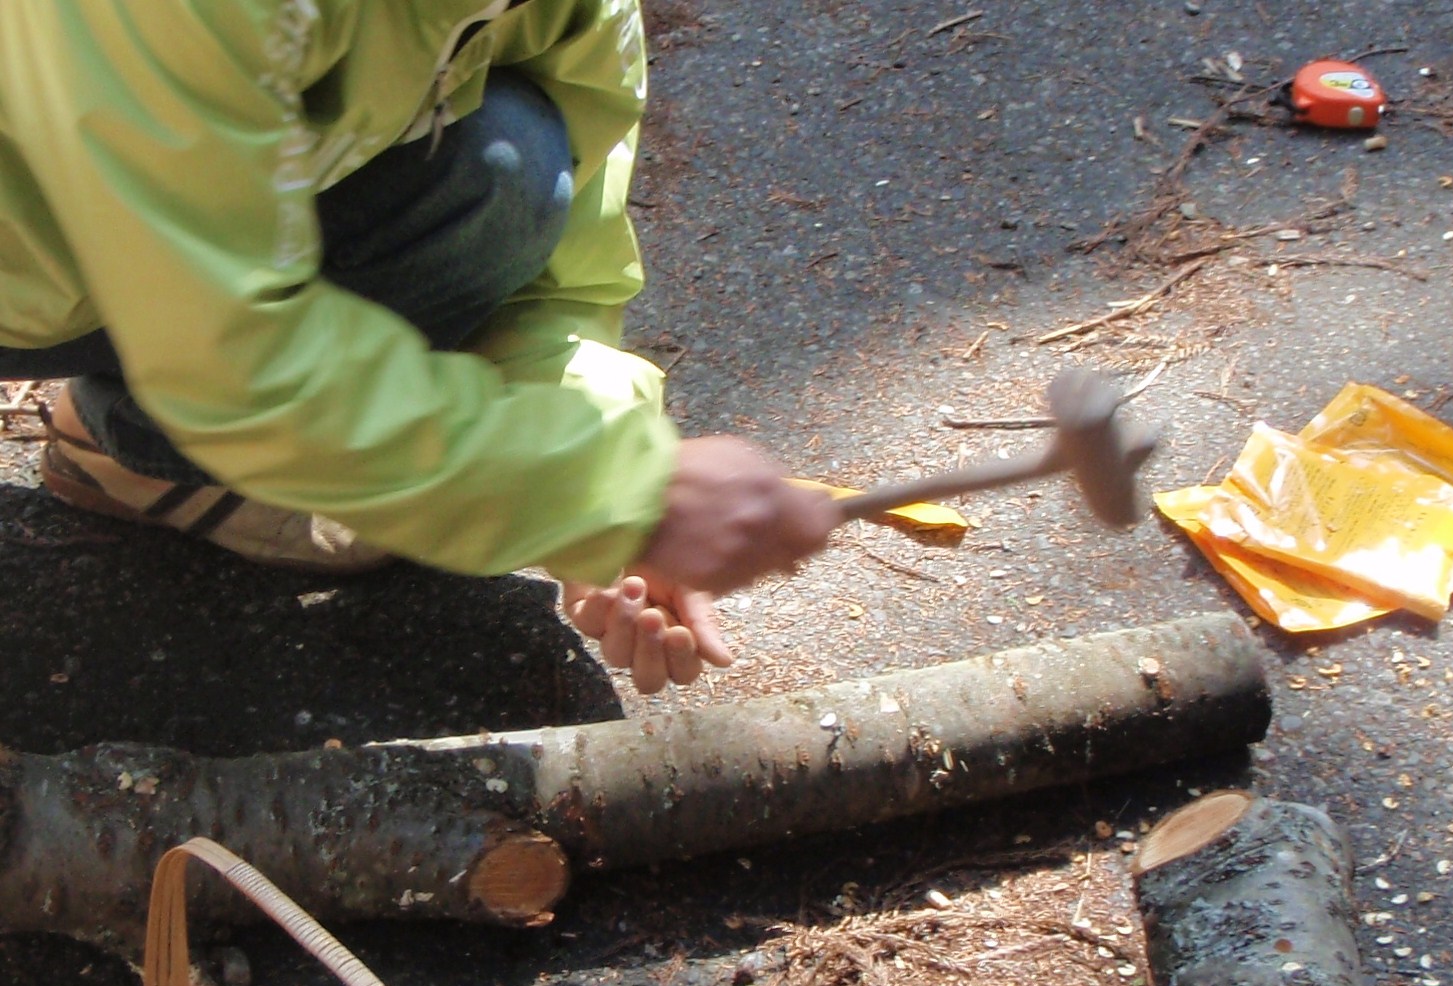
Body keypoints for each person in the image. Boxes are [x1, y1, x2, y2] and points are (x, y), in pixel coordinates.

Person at [0, 0, 842, 696]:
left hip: (146, 235)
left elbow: (566, 276)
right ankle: (194, 424)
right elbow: (234, 363)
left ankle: (145, 444)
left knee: (515, 162)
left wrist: (601, 482)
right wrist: (608, 490)